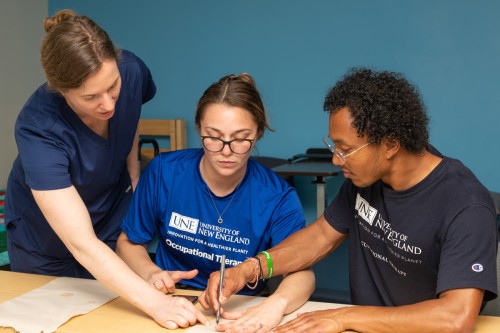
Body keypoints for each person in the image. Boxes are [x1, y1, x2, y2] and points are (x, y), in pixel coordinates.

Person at [203, 68, 498, 332]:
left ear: (391, 143)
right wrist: (250, 268)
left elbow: (455, 317)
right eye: (333, 145)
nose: (335, 158)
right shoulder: (364, 180)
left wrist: (343, 317)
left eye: (345, 148)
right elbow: (319, 237)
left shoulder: (467, 206)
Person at [5, 9, 207, 329]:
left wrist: (134, 174)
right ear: (61, 92)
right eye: (91, 97)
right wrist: (157, 304)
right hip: (45, 241)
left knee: (115, 316)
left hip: (109, 212)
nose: (109, 104)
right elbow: (80, 241)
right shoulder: (38, 127)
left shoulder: (131, 70)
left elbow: (130, 116)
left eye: (112, 86)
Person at [117, 73, 315, 332]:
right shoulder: (164, 172)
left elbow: (302, 273)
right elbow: (128, 242)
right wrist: (151, 274)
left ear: (258, 134)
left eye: (241, 138)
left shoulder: (278, 197)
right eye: (213, 136)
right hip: (168, 300)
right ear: (199, 128)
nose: (226, 150)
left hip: (237, 309)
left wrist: (276, 304)